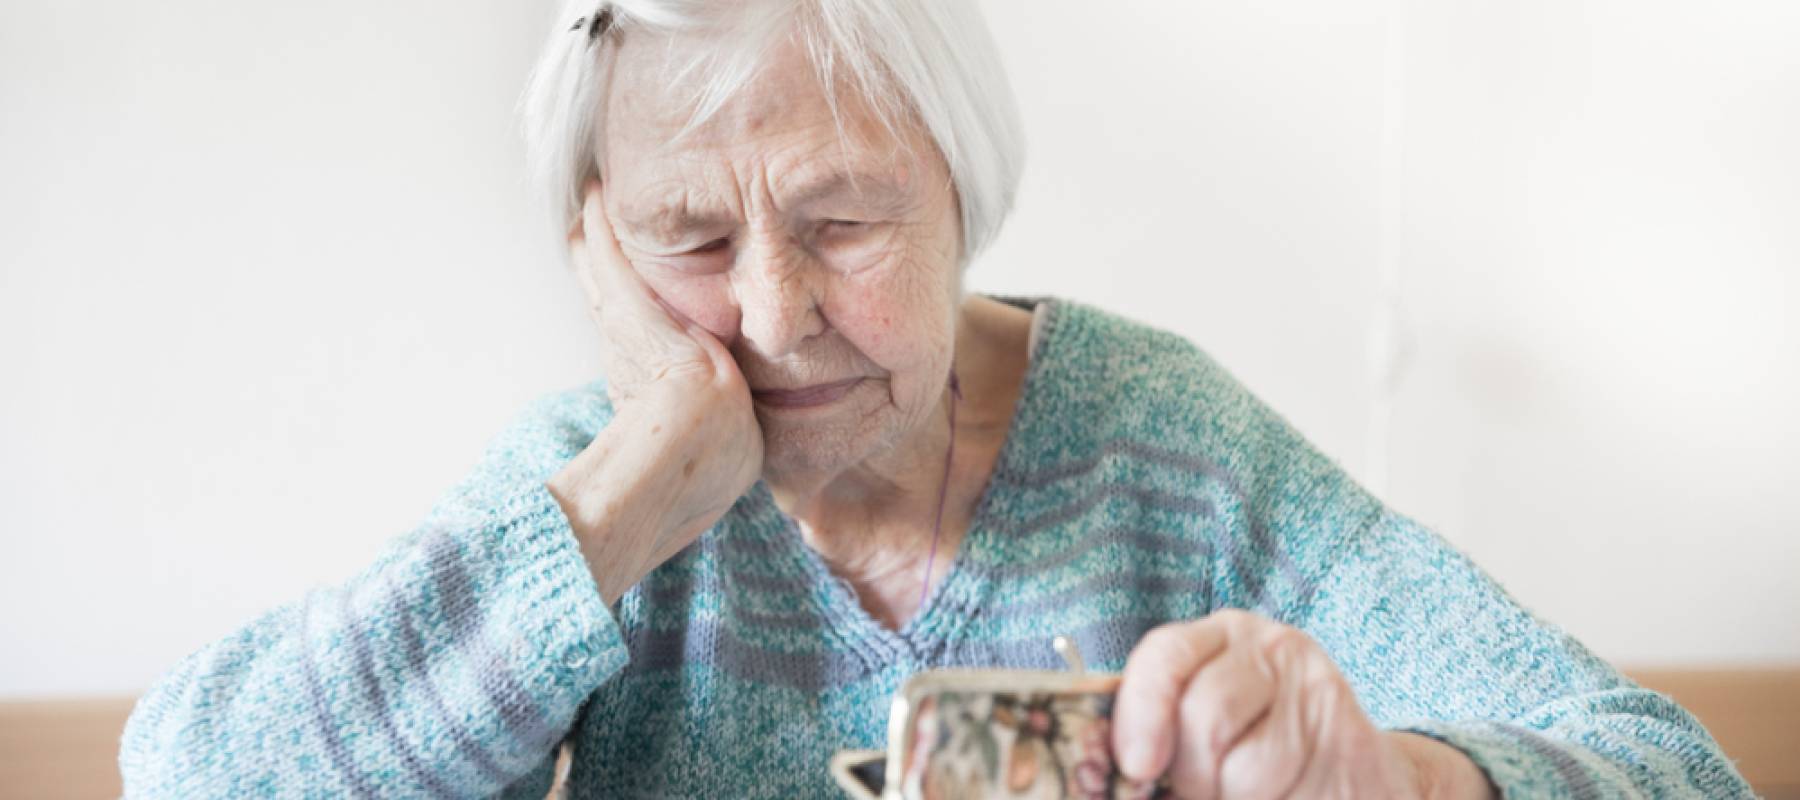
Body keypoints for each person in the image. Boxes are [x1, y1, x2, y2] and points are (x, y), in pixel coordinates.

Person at [119, 1, 1751, 797]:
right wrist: (616, 515)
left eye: (842, 221)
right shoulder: (586, 506)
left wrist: (1394, 787)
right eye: (689, 237)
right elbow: (189, 774)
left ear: (966, 195)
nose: (772, 315)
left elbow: (1676, 771)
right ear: (595, 249)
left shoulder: (1165, 453)